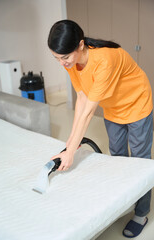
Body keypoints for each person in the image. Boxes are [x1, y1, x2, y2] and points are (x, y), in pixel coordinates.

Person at [48, 19, 153, 238]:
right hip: (113, 108)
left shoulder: (104, 60)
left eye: (64, 57)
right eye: (57, 58)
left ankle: (141, 214)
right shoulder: (72, 63)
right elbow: (81, 99)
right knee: (117, 156)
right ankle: (123, 200)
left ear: (80, 45)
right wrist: (69, 146)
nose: (61, 63)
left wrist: (72, 150)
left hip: (137, 105)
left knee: (140, 160)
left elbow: (88, 112)